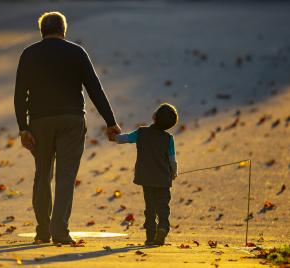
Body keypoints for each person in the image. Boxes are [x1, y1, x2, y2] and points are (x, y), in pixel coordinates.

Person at [14, 11, 121, 245]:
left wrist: (23, 128)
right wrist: (110, 122)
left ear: (42, 31)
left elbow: (20, 94)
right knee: (65, 177)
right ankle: (60, 231)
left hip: (40, 123)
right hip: (71, 121)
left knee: (42, 175)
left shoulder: (29, 54)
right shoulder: (76, 52)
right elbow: (95, 89)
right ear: (64, 30)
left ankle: (43, 231)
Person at [114, 103, 178, 246]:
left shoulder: (142, 133)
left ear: (154, 117)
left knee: (150, 208)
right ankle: (163, 228)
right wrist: (173, 173)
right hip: (163, 180)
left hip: (146, 178)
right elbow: (172, 161)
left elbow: (126, 138)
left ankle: (150, 237)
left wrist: (114, 137)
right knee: (163, 207)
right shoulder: (168, 139)